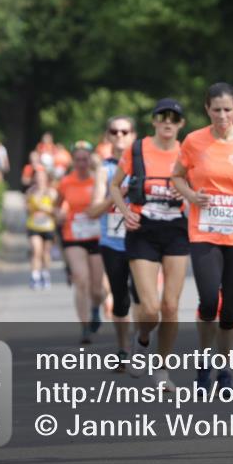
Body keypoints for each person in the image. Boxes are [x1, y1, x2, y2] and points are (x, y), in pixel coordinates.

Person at [173, 83, 233, 390]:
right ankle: (204, 363)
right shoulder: (193, 141)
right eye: (216, 110)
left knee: (229, 309)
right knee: (207, 301)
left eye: (228, 109)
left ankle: (225, 370)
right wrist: (191, 195)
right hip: (204, 231)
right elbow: (177, 176)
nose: (222, 116)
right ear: (207, 109)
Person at [111, 98, 189, 392]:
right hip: (142, 229)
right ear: (154, 121)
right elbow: (114, 186)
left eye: (174, 118)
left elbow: (199, 184)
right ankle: (142, 340)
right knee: (151, 307)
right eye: (162, 117)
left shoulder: (188, 150)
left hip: (176, 230)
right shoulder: (138, 148)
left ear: (181, 124)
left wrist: (191, 194)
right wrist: (124, 210)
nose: (168, 122)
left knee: (170, 306)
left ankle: (163, 370)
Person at [86, 115, 139, 372]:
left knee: (144, 299)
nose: (119, 136)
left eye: (124, 131)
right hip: (113, 243)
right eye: (114, 132)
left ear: (133, 135)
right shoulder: (103, 170)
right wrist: (116, 196)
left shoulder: (143, 165)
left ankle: (141, 344)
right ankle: (123, 348)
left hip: (142, 242)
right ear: (108, 136)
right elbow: (93, 210)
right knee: (120, 300)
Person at [56, 142, 105, 344]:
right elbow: (57, 204)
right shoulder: (66, 182)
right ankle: (84, 327)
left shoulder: (98, 181)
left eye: (85, 159)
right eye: (78, 159)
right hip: (73, 235)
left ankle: (95, 309)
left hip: (97, 236)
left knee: (97, 288)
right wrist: (58, 213)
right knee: (80, 278)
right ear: (73, 161)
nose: (82, 163)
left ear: (90, 160)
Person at [25, 166, 57, 289]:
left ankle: (45, 273)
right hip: (34, 225)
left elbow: (56, 211)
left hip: (48, 226)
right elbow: (27, 208)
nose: (39, 179)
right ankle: (35, 276)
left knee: (45, 253)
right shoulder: (30, 192)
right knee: (36, 250)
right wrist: (30, 208)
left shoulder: (51, 192)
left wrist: (46, 209)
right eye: (37, 177)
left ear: (46, 179)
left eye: (41, 177)